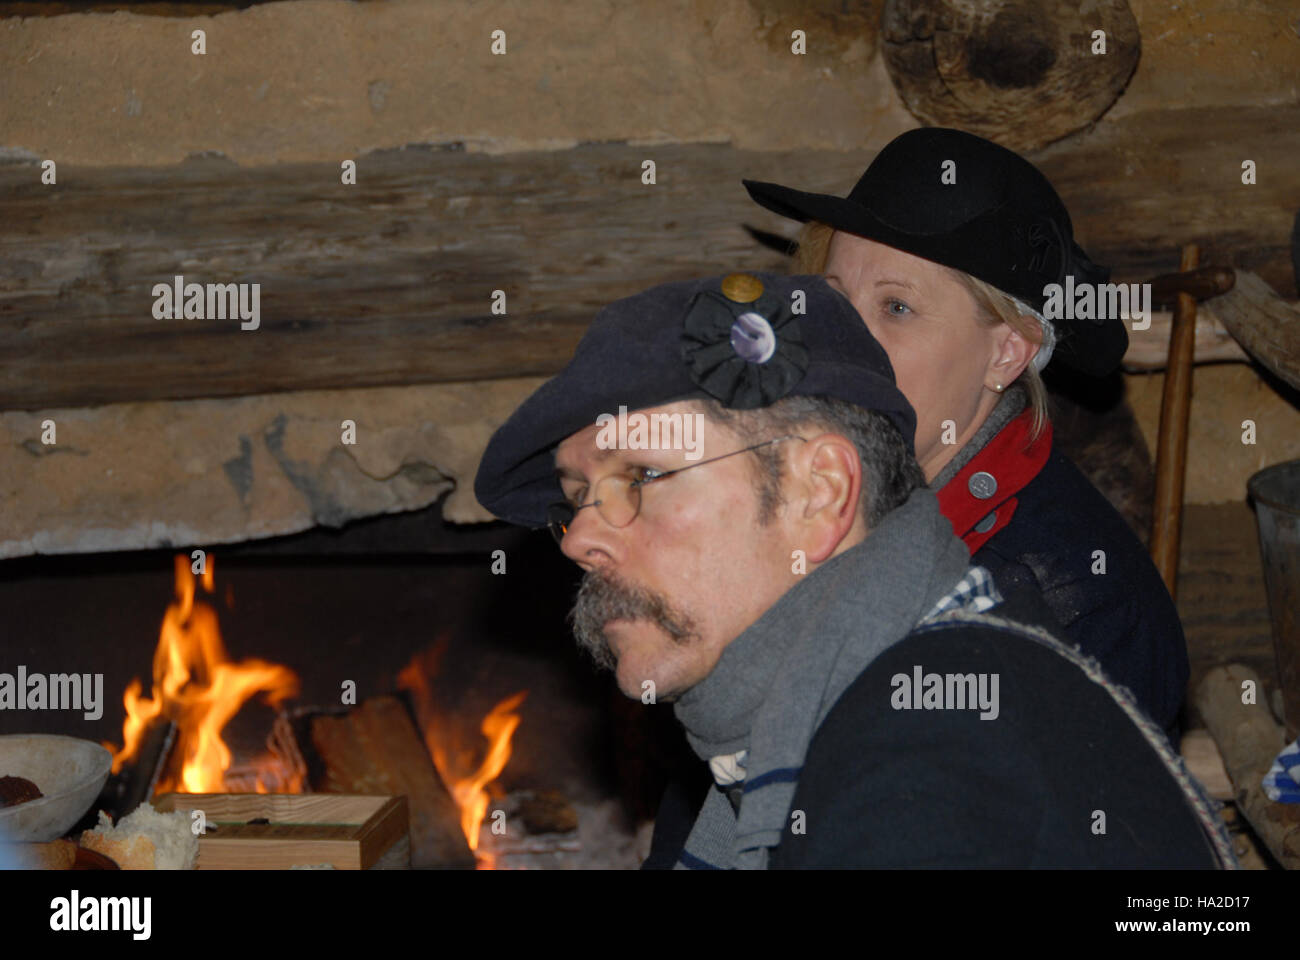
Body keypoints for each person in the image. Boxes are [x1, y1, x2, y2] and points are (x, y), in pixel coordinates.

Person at [473, 270, 1232, 869]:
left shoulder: (931, 762)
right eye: (575, 500)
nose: (576, 541)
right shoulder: (845, 711)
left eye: (639, 476)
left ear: (821, 491)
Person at [743, 128, 1189, 740]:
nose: (842, 338)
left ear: (1007, 352)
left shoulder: (1082, 606)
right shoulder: (787, 501)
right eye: (836, 298)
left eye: (896, 308)